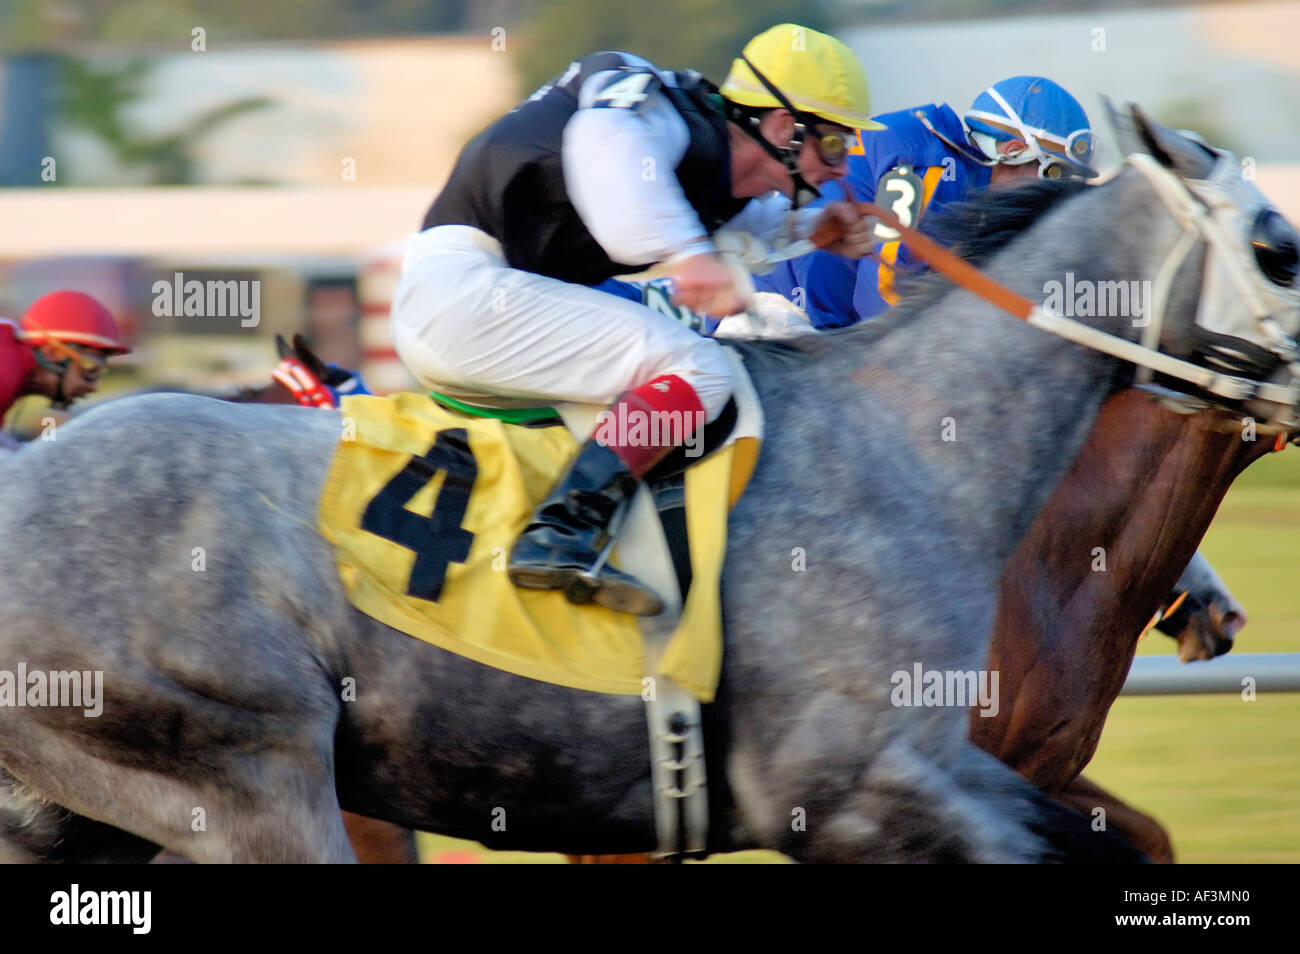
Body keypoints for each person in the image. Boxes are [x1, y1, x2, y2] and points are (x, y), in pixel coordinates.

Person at [391, 24, 881, 616]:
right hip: (465, 295)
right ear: (782, 126)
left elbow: (743, 226)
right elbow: (611, 162)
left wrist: (817, 230)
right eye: (833, 145)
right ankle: (559, 533)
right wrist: (691, 255)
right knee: (697, 367)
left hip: (477, 302)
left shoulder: (702, 161)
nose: (842, 165)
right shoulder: (650, 105)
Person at [754, 76, 1097, 328]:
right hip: (773, 307)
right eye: (1054, 178)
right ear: (1012, 152)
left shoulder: (963, 173)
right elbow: (881, 297)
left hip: (818, 317)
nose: (1053, 202)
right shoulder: (931, 165)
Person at [0, 290, 129, 425]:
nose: (93, 387)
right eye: (90, 367)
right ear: (52, 352)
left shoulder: (11, 363)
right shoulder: (5, 373)